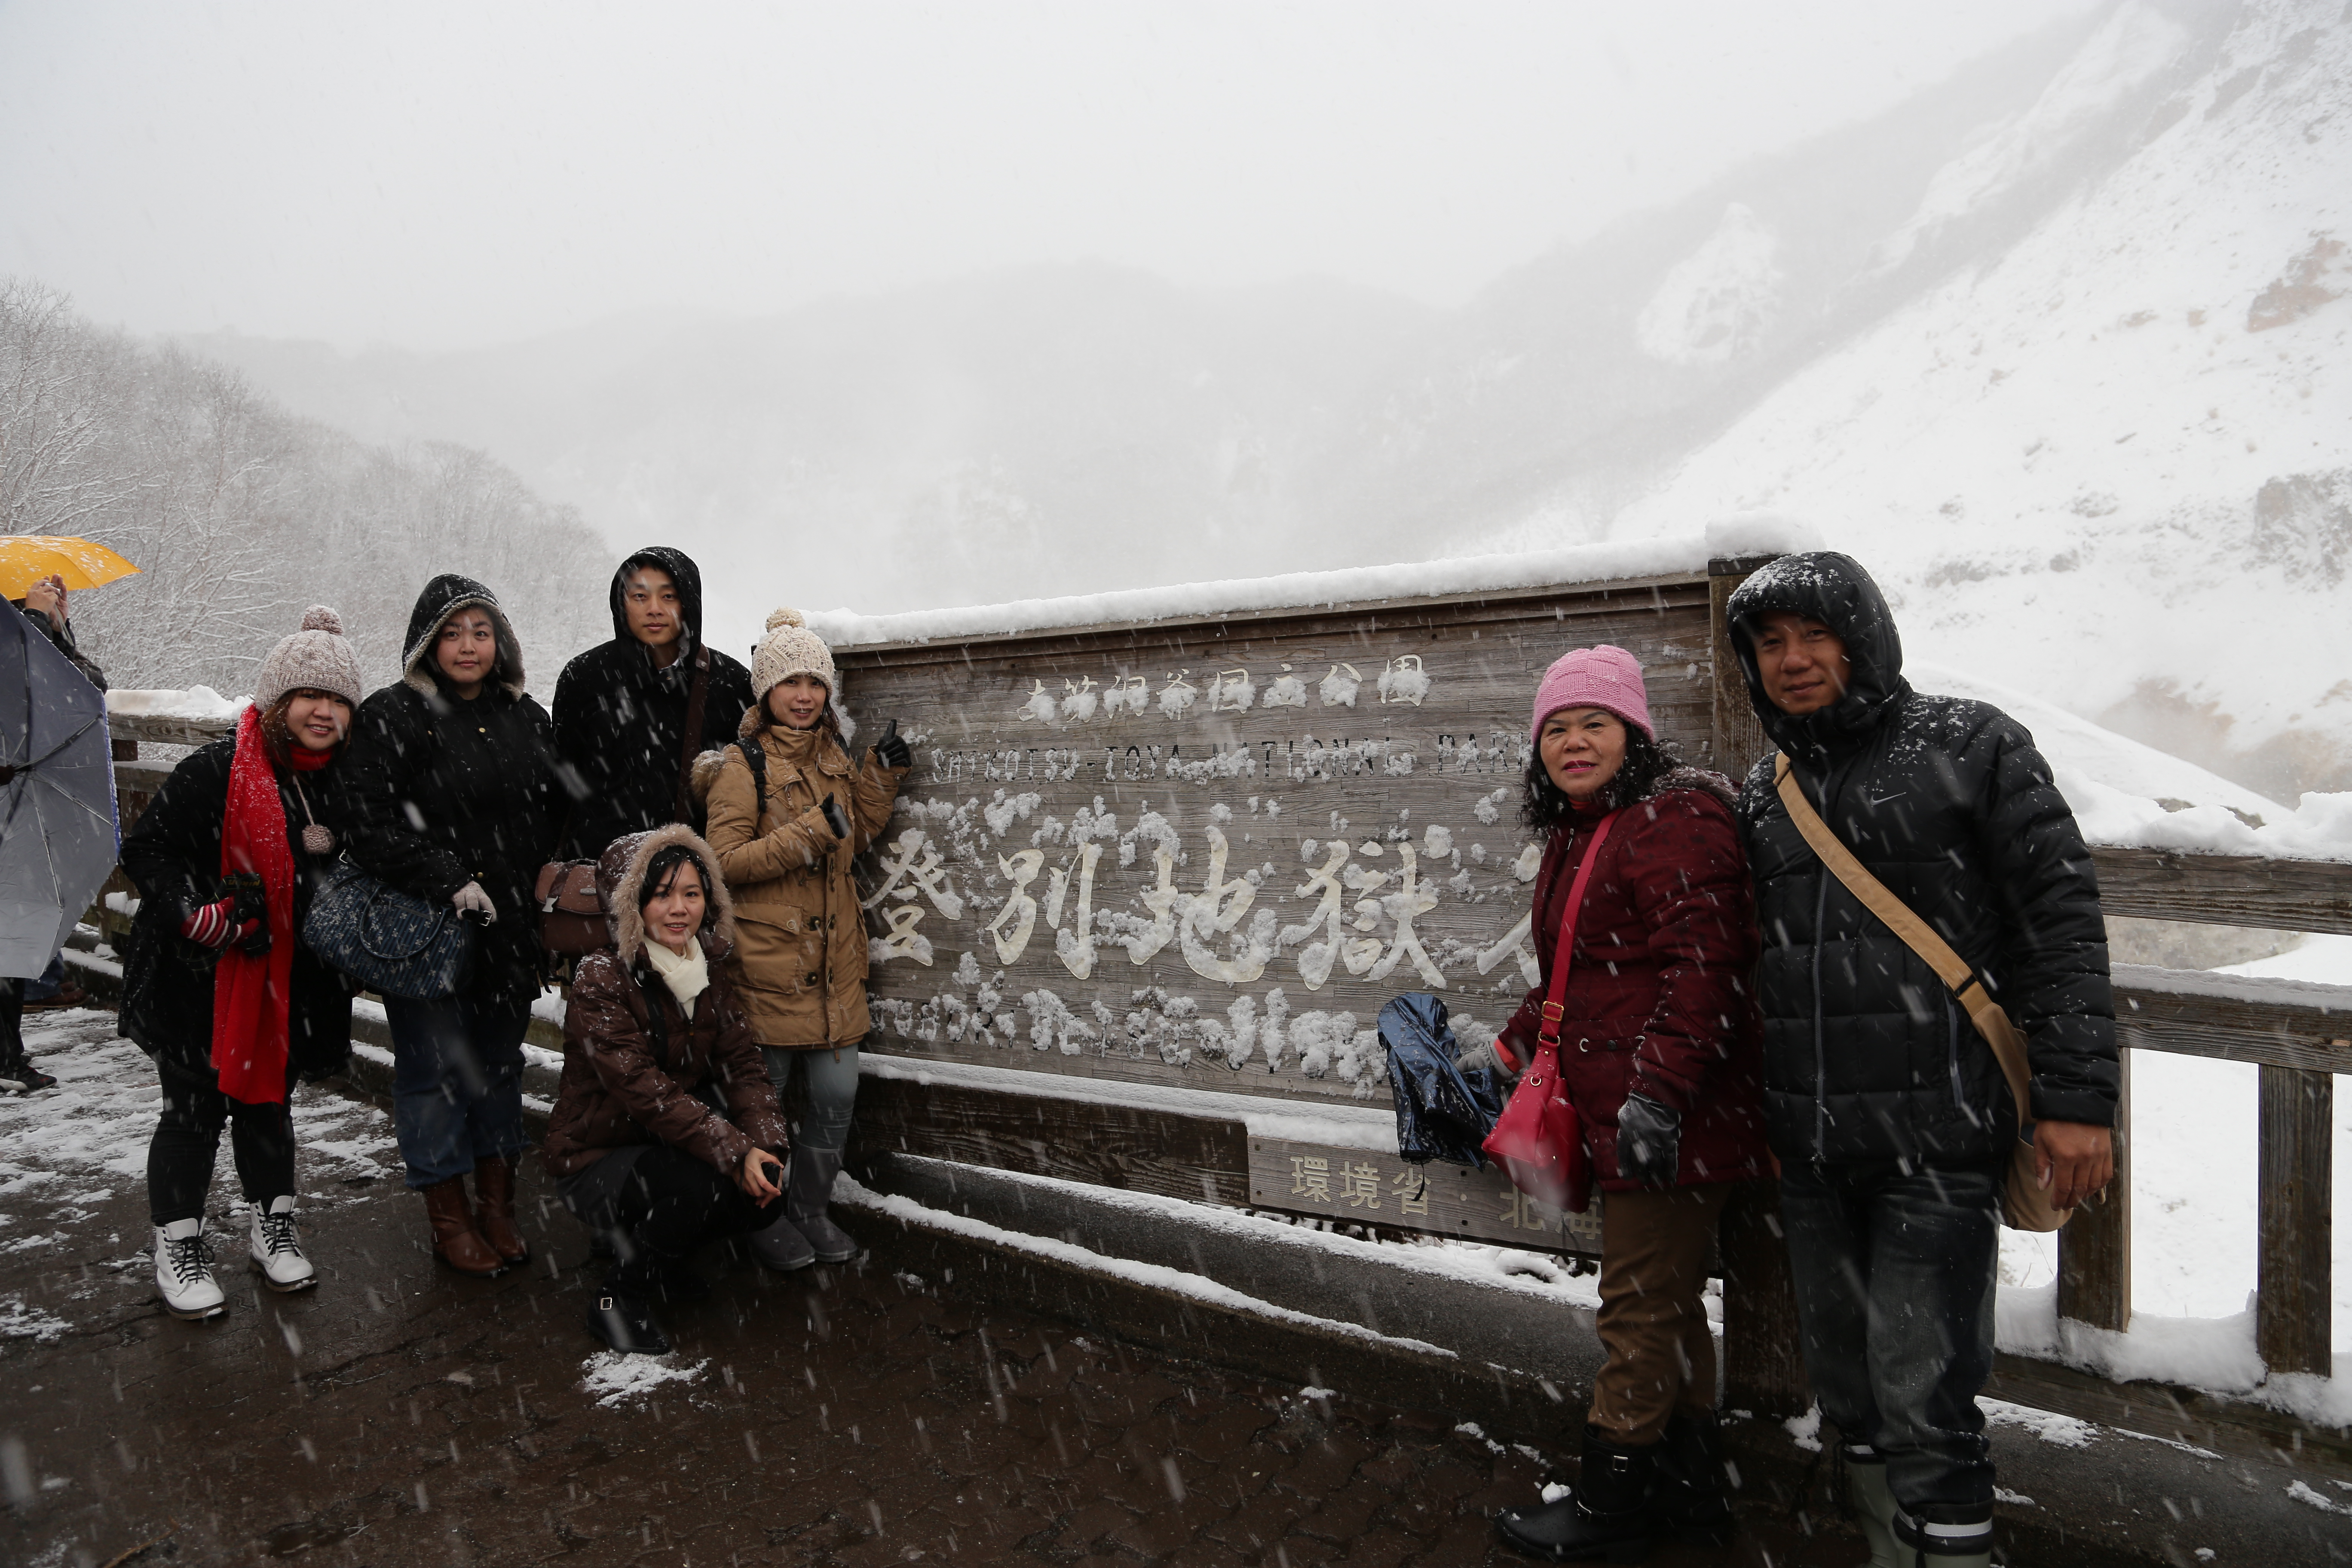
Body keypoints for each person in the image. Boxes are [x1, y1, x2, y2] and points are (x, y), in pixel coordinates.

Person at [1724, 552, 2116, 1568]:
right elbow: (1747, 961)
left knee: (1922, 1387)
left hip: (1936, 1137)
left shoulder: (1966, 744)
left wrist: (2074, 1099)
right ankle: (1881, 1546)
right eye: (1769, 644)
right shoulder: (1763, 792)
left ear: (1863, 637)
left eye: (1815, 635)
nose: (1793, 660)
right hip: (1810, 1148)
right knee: (1845, 1383)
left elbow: (2057, 924)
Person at [1455, 646, 1770, 1562]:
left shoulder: (1673, 817)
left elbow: (1708, 968)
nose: (1573, 741)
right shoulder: (1590, 828)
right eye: (1556, 727)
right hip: (1635, 1106)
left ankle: (1612, 1501)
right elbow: (1579, 977)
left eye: (1595, 722)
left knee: (1635, 1305)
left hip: (1670, 1116)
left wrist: (1660, 1096)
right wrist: (1508, 1050)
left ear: (1635, 732)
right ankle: (1691, 1491)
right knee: (1664, 1307)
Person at [117, 606, 364, 1320]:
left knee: (268, 1107)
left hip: (291, 979)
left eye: (337, 699)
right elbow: (148, 849)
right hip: (203, 974)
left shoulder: (345, 782)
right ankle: (180, 1240)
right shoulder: (219, 769)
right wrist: (198, 909)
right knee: (192, 1111)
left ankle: (272, 1223)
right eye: (308, 696)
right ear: (277, 701)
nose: (323, 711)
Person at [340, 574, 567, 1279]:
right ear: (426, 642)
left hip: (507, 931)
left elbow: (553, 810)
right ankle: (448, 1214)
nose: (468, 646)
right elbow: (366, 819)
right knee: (433, 1072)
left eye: (480, 631)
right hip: (426, 931)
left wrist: (542, 884)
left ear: (501, 642)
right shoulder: (393, 715)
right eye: (452, 632)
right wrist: (446, 877)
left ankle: (497, 1204)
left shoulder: (525, 717)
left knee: (499, 1067)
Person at [702, 608, 910, 1269]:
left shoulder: (835, 758)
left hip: (835, 967)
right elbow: (722, 861)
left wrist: (878, 777)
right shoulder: (744, 765)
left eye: (814, 683)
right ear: (765, 691)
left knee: (836, 1096)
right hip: (769, 965)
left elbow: (858, 834)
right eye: (790, 682)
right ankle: (761, 1218)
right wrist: (809, 835)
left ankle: (811, 1210)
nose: (803, 696)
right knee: (764, 1103)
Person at [544, 825, 791, 1354]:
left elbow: (744, 1066)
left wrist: (765, 1145)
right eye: (660, 895)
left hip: (664, 1144)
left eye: (692, 893)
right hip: (594, 1155)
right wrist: (734, 1150)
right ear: (631, 904)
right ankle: (616, 1301)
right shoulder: (601, 978)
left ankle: (662, 1261)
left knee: (764, 1196)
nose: (679, 909)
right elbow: (643, 1090)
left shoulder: (706, 971)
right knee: (702, 1187)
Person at [551, 547, 755, 859]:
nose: (655, 609)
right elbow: (561, 785)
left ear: (688, 603)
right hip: (599, 874)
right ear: (622, 603)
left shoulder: (728, 683)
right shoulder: (585, 678)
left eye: (669, 597)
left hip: (691, 879)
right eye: (640, 597)